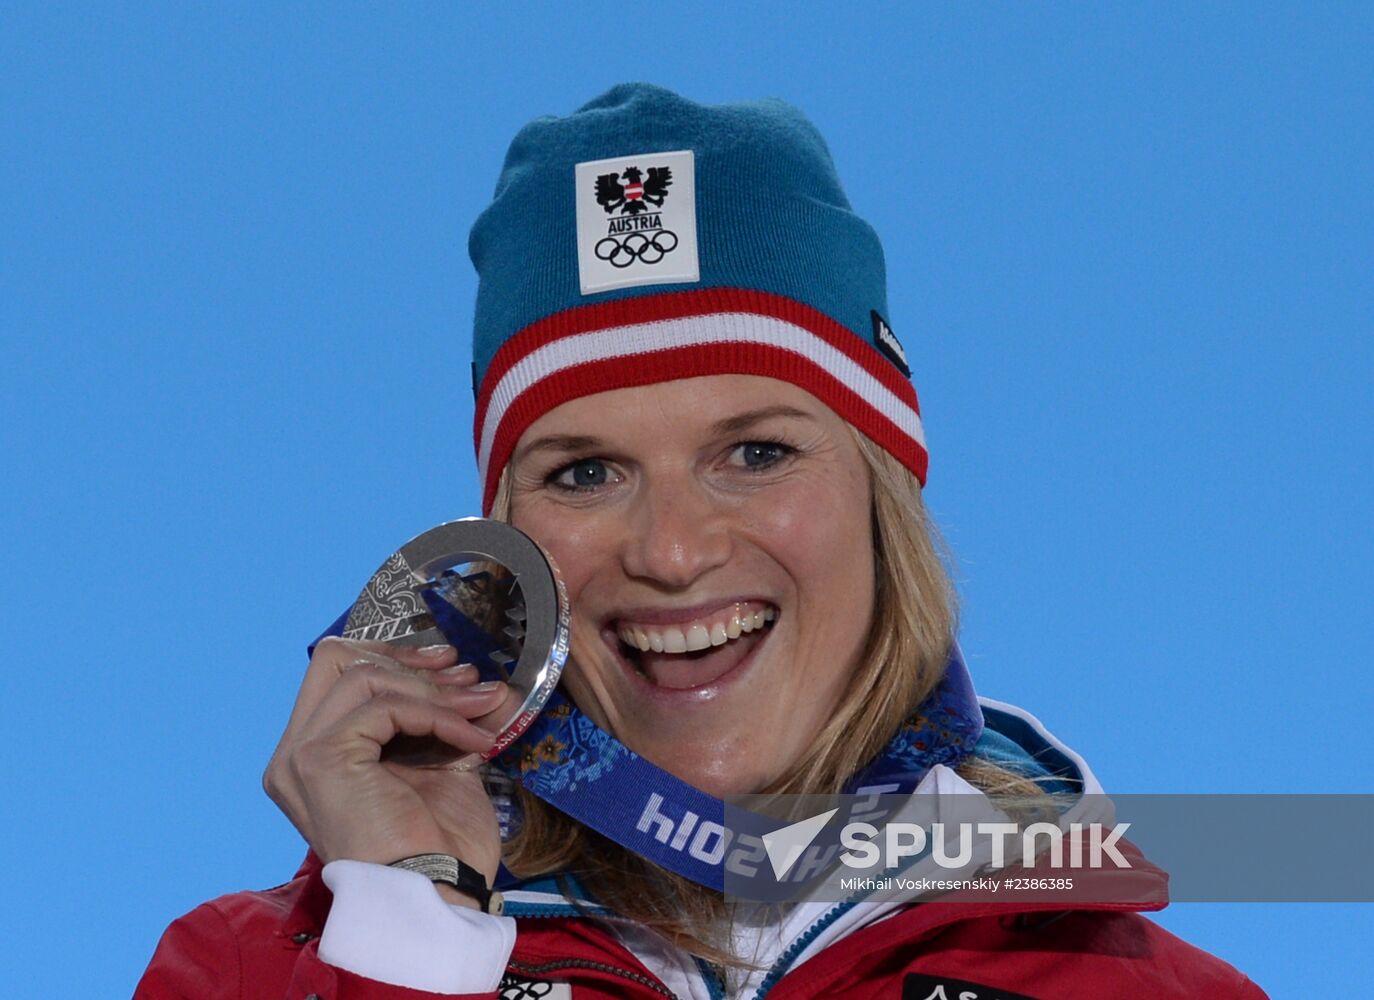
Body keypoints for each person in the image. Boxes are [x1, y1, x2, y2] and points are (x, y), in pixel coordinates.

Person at [137, 83, 1266, 999]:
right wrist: (413, 932)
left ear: (882, 493)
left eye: (757, 452)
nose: (672, 552)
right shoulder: (250, 974)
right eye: (585, 471)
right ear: (505, 538)